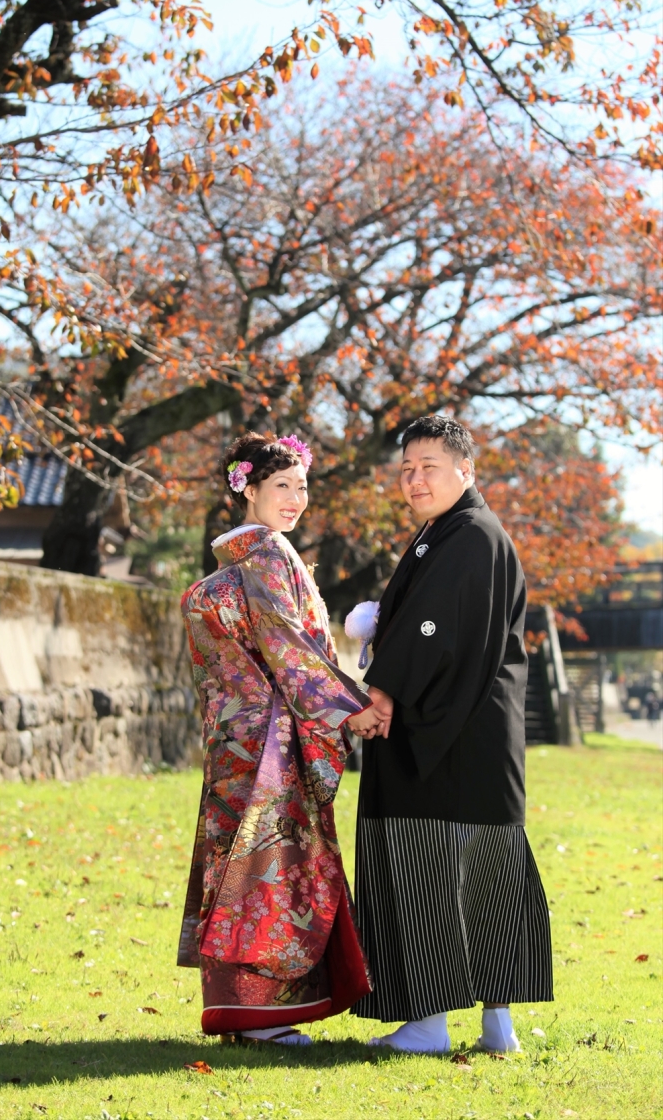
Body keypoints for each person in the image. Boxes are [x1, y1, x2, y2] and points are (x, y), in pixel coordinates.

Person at [347, 415, 554, 1054]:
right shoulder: (451, 533)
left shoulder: (470, 534)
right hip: (476, 738)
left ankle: (430, 1024)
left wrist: (381, 690)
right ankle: (498, 1024)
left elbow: (430, 629)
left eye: (428, 466)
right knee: (487, 878)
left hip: (449, 738)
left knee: (432, 871)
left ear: (465, 470)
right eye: (406, 469)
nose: (414, 479)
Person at [177, 431, 378, 1045]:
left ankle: (244, 1012)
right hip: (269, 736)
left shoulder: (238, 559)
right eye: (282, 486)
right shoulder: (266, 553)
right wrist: (350, 710)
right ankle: (262, 1017)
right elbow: (289, 646)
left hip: (235, 735)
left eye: (302, 488)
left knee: (238, 865)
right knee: (269, 866)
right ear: (249, 489)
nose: (296, 499)